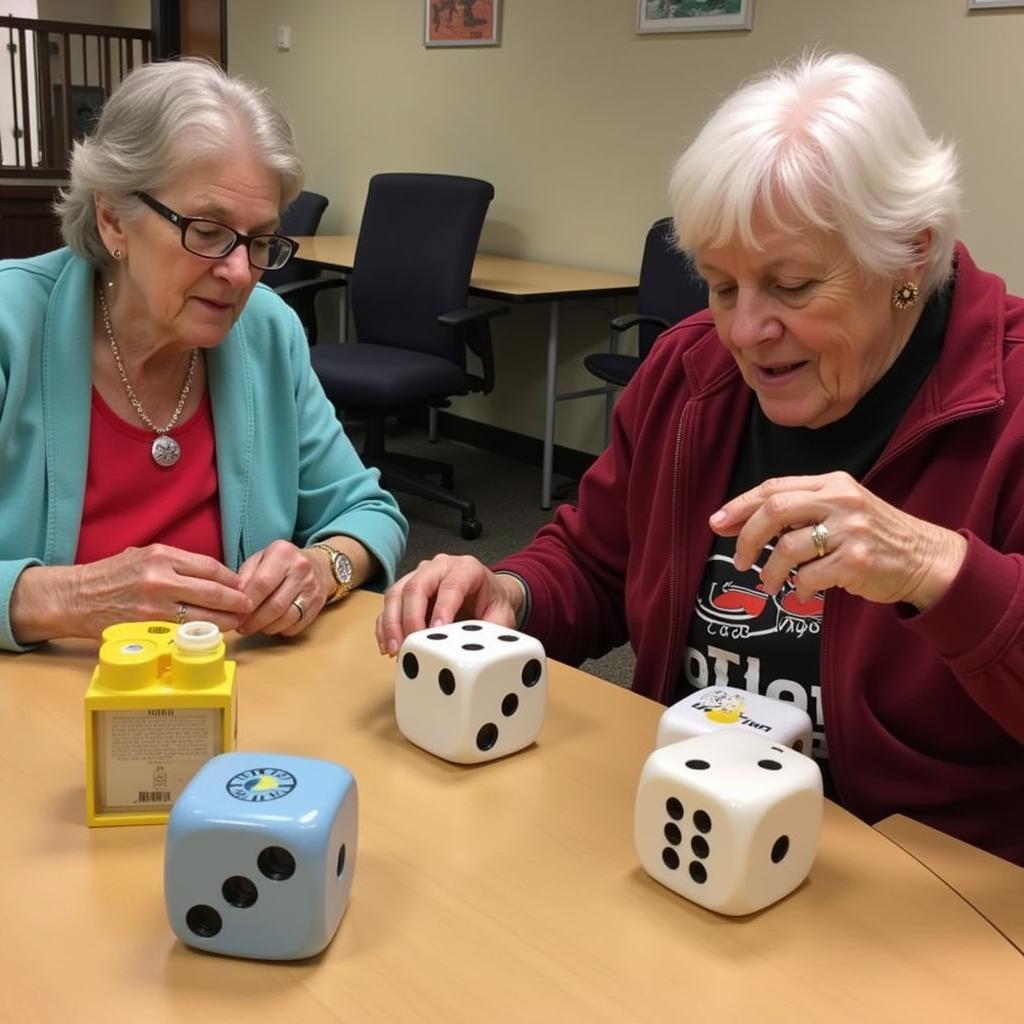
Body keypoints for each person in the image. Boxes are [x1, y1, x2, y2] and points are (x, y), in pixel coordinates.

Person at [377, 53, 1024, 865]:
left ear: (906, 260)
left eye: (790, 286)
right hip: (687, 837)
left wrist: (937, 567)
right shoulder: (689, 375)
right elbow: (598, 559)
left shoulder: (1012, 402)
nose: (746, 332)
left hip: (911, 889)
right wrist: (512, 592)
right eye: (721, 287)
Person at [0, 58, 407, 652]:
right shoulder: (11, 325)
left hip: (235, 695)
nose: (241, 273)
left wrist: (322, 569)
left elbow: (370, 513)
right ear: (114, 217)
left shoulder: (268, 332)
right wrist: (73, 597)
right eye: (208, 231)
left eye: (260, 239)